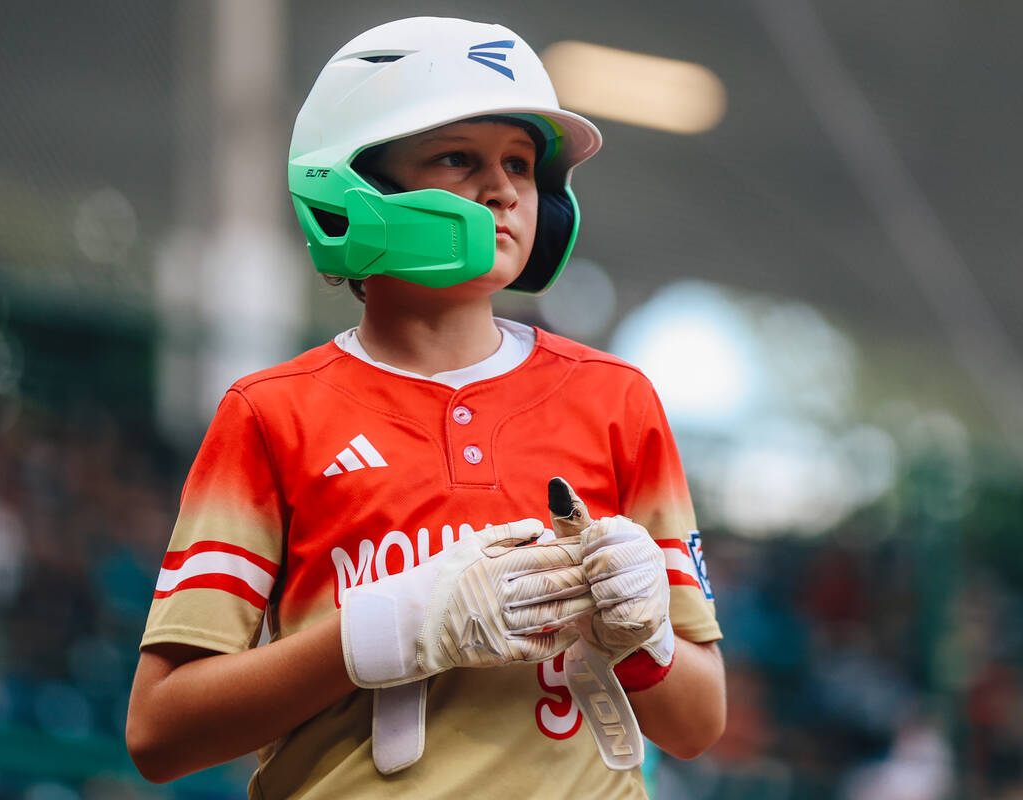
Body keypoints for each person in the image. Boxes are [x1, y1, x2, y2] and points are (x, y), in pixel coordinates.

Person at [127, 16, 725, 799]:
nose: (505, 189)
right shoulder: (271, 413)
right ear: (355, 182)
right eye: (457, 158)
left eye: (520, 164)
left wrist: (643, 638)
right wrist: (393, 627)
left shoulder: (617, 400)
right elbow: (160, 731)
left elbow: (697, 723)